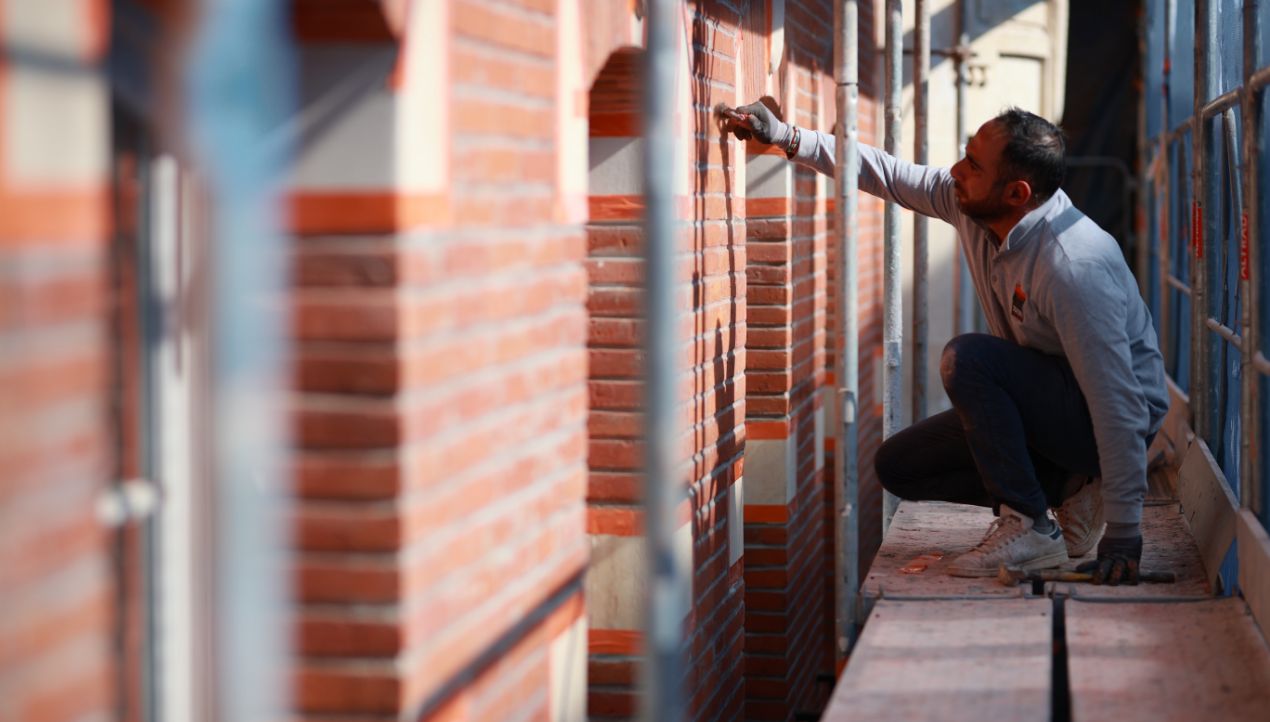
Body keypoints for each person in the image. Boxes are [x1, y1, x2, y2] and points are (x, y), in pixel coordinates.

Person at [726, 101, 1168, 584]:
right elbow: (889, 174)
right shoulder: (972, 207)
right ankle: (1068, 490)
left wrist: (1125, 533)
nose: (956, 170)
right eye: (965, 154)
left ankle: (1031, 526)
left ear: (1017, 192)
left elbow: (1118, 405)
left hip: (1108, 417)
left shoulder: (1072, 267)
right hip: (1056, 400)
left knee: (970, 360)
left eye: (973, 165)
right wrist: (790, 138)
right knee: (900, 467)